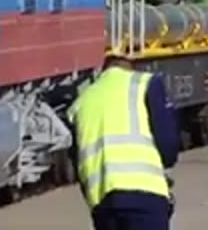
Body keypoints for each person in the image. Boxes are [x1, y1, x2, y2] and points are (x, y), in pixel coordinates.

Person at [69, 54, 180, 230]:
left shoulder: (80, 103)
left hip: (103, 203)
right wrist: (167, 163)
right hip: (145, 195)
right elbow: (167, 142)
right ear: (130, 69)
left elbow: (77, 160)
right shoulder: (145, 84)